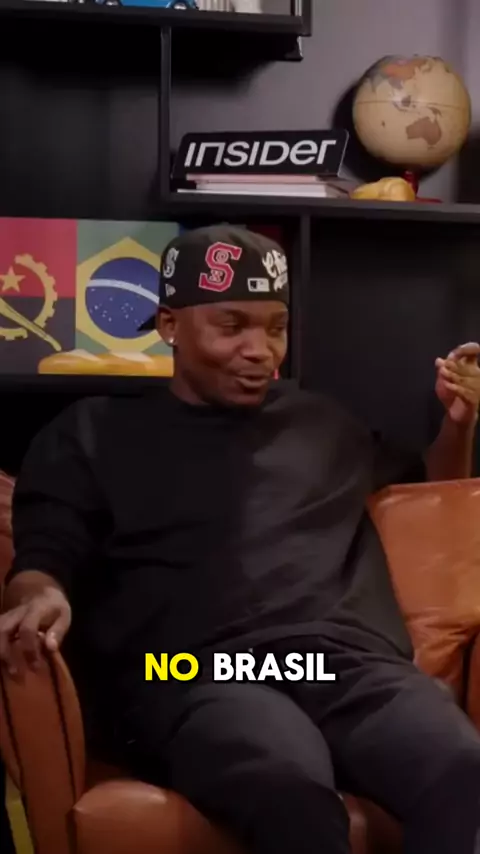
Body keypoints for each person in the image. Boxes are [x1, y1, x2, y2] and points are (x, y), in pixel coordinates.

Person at [1, 224, 480, 854]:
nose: (261, 350)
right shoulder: (94, 433)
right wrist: (38, 593)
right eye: (232, 326)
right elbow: (45, 550)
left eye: (275, 327)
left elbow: (432, 489)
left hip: (342, 662)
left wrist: (458, 424)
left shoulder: (323, 424)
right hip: (187, 669)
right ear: (170, 325)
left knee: (462, 769)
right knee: (288, 784)